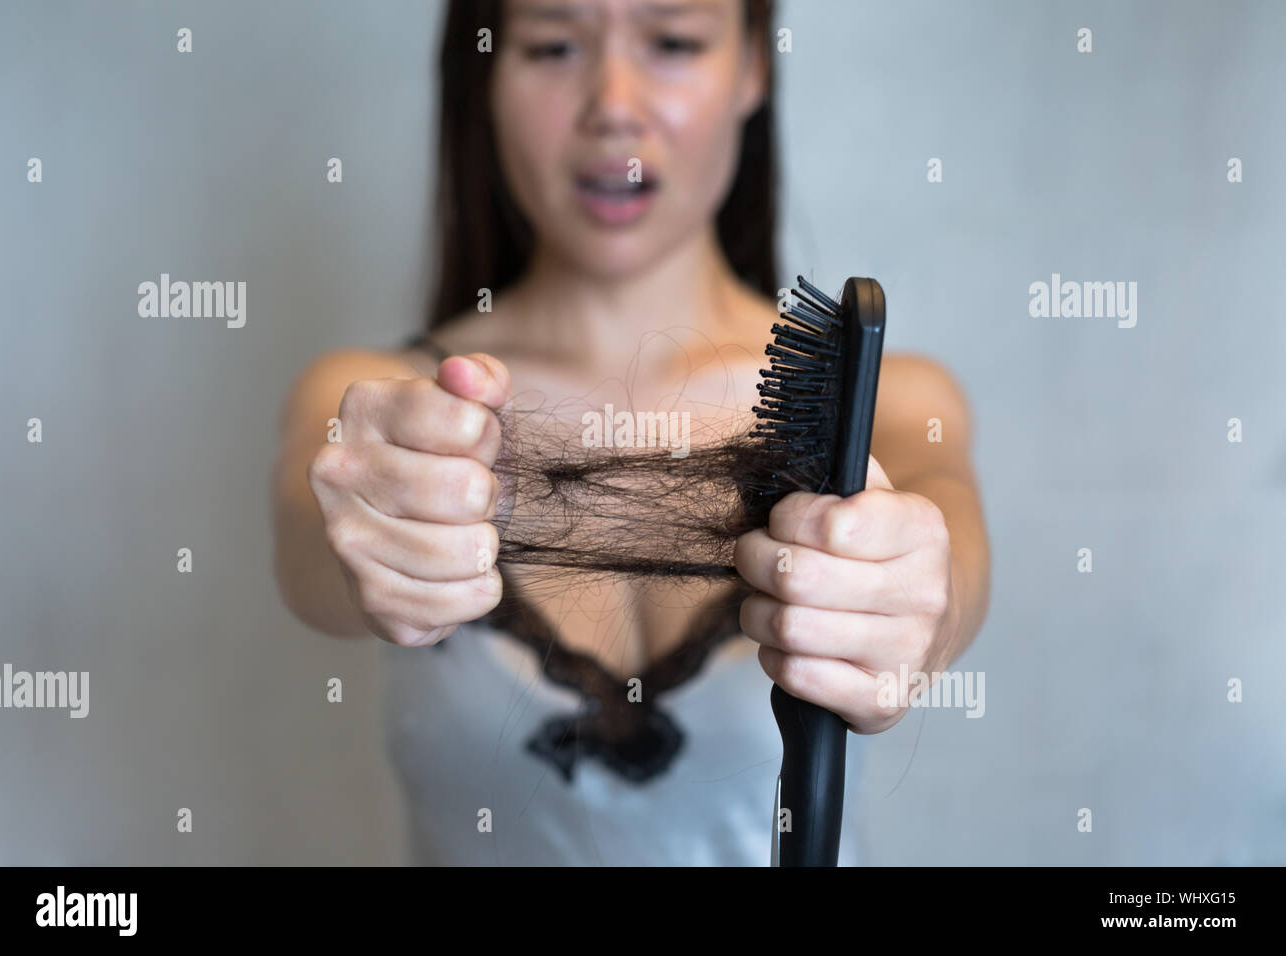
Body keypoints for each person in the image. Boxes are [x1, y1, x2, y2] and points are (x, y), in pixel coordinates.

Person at [271, 0, 991, 865]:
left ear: (754, 66)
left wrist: (920, 609)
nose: (613, 101)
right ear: (485, 75)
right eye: (552, 45)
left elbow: (946, 553)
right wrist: (374, 541)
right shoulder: (374, 406)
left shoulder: (896, 407)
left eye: (674, 41)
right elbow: (315, 553)